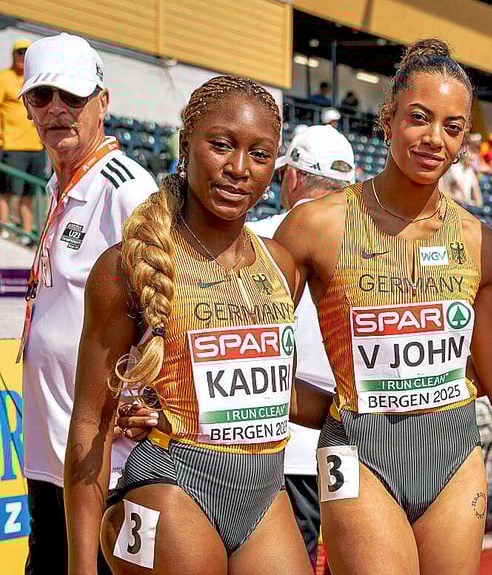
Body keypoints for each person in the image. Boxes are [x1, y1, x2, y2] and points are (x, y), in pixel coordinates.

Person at [274, 38, 492, 574]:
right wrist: (325, 409)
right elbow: (253, 352)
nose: (434, 138)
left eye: (453, 127)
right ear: (387, 119)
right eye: (419, 118)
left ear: (463, 142)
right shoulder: (315, 226)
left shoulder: (479, 241)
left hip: (452, 454)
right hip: (357, 452)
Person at [65, 75, 327, 575]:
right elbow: (90, 422)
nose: (239, 169)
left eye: (259, 154)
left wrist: (366, 407)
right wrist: (80, 568)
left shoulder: (280, 265)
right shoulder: (125, 267)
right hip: (172, 482)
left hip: (264, 493)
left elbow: (276, 391)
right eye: (221, 145)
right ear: (186, 144)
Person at [16, 32, 157, 575]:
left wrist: (154, 398)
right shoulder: (61, 186)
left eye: (72, 97)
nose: (56, 109)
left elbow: (173, 305)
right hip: (52, 451)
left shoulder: (125, 188)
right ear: (27, 108)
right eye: (42, 96)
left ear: (103, 102)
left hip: (108, 462)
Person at [249, 124, 354, 568]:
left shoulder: (254, 236)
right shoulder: (374, 243)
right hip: (355, 439)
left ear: (291, 177)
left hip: (273, 442)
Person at [0, 38, 47, 245]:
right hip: (12, 146)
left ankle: (26, 233)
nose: (22, 57)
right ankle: (4, 228)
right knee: (8, 192)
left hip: (35, 147)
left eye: (25, 53)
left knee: (29, 194)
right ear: (12, 55)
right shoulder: (4, 78)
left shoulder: (35, 80)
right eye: (19, 52)